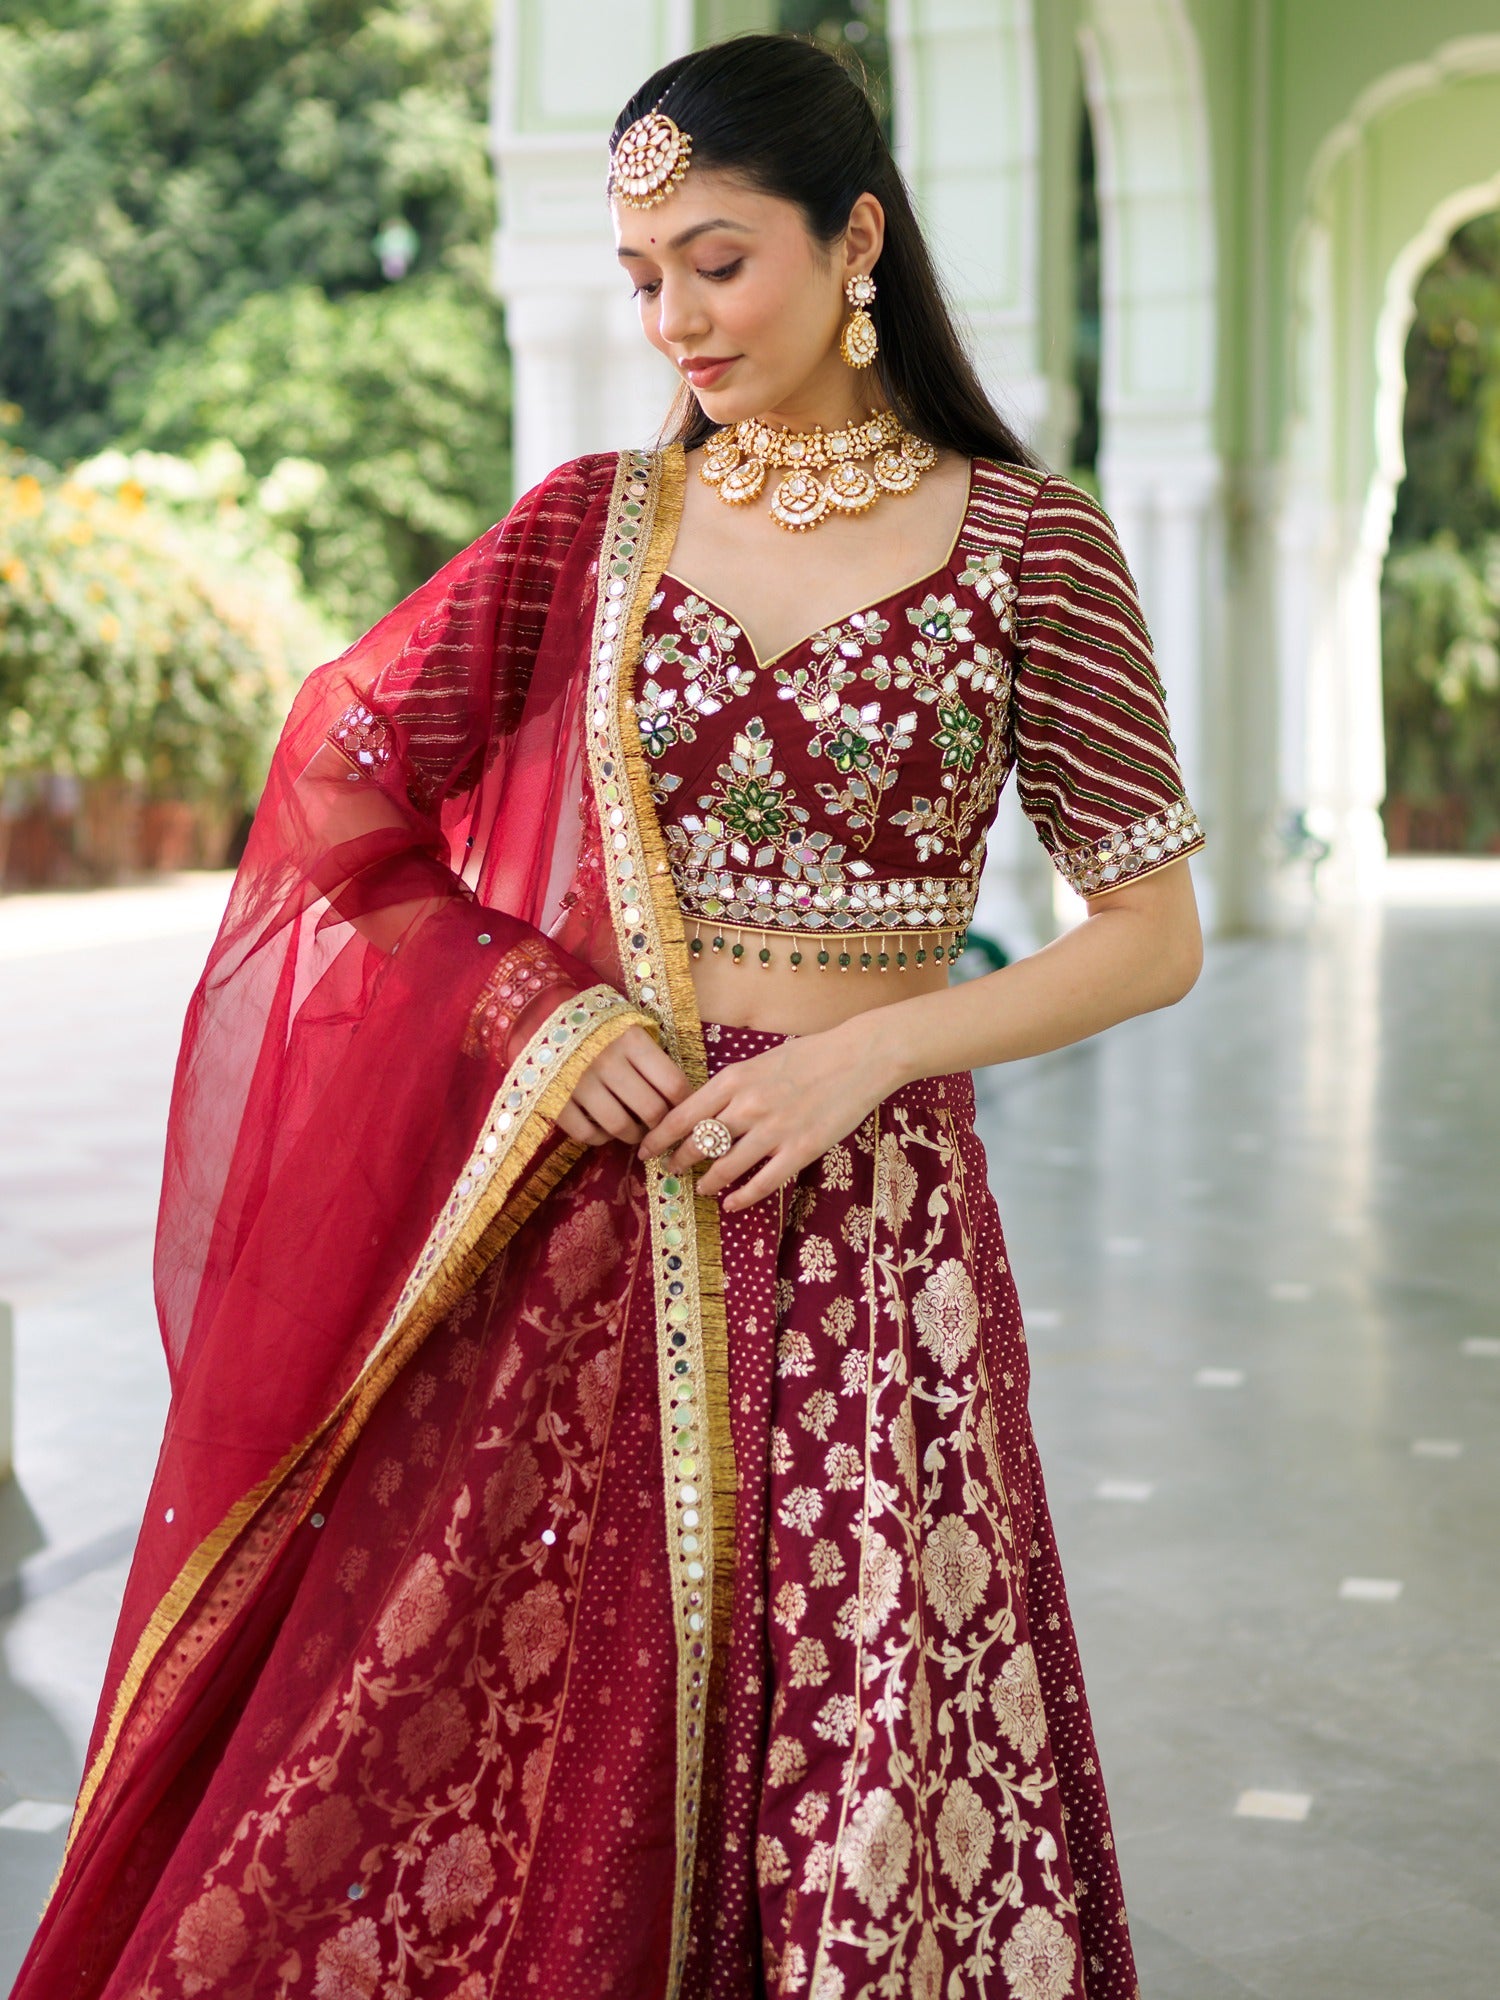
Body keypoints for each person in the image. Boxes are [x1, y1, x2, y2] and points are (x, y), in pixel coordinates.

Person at [11, 34, 1203, 2000]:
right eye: (643, 273)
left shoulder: (1028, 545)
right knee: (511, 1723)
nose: (676, 316)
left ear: (858, 243)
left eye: (717, 260)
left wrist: (873, 1050)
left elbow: (1149, 928)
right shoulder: (592, 530)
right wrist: (530, 1008)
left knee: (860, 1715)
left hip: (874, 1229)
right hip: (599, 1216)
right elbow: (340, 787)